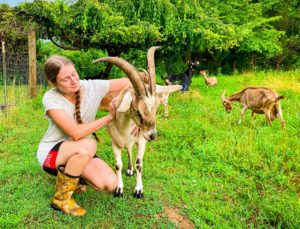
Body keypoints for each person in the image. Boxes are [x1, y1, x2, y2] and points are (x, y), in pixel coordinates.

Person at [36, 55, 131, 216]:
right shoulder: (51, 98)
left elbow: (127, 82)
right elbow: (75, 133)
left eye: (74, 74)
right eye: (66, 79)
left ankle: (71, 173)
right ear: (53, 83)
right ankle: (61, 199)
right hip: (51, 155)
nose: (73, 80)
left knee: (110, 183)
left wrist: (145, 84)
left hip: (80, 151)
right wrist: (109, 117)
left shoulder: (91, 87)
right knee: (89, 144)